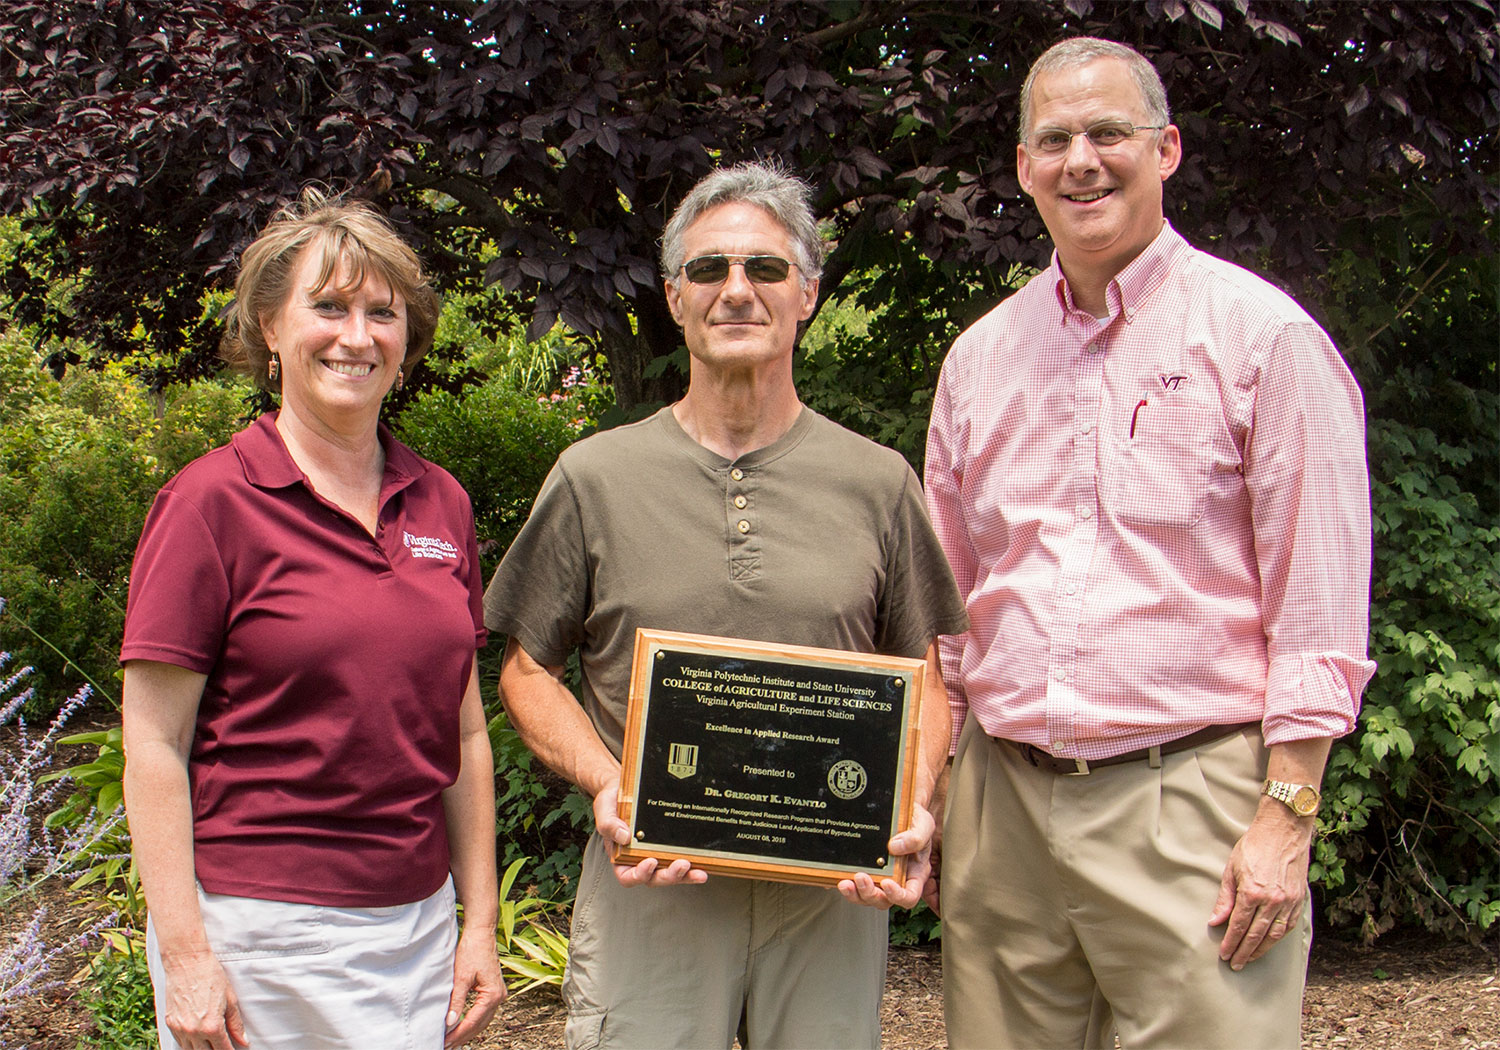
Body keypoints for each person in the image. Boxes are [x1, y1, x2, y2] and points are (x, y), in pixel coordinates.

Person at [924, 37, 1377, 1050]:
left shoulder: (1262, 338)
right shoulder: (979, 361)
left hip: (1194, 804)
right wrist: (937, 793)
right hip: (1003, 807)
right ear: (1023, 168)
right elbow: (948, 616)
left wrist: (1288, 812)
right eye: (1055, 139)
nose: (1082, 159)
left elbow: (1318, 604)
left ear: (1165, 148)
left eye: (1109, 132)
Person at [483, 160, 968, 1050]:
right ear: (673, 297)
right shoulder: (595, 476)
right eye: (708, 270)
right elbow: (523, 672)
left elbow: (927, 679)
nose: (735, 290)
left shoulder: (878, 482)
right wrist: (605, 785)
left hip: (829, 893)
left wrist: (914, 805)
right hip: (654, 884)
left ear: (809, 293)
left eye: (765, 269)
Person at [120, 190, 504, 1050]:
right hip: (259, 937)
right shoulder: (208, 503)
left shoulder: (440, 501)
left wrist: (479, 922)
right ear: (269, 327)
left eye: (382, 313)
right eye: (327, 307)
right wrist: (185, 953)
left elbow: (465, 732)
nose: (357, 336)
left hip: (415, 927)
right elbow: (152, 742)